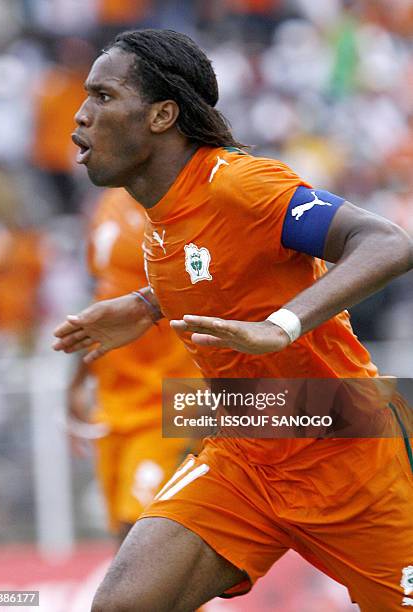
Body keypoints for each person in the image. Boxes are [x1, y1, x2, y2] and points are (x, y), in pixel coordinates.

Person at [52, 29, 413, 612]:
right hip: (245, 455)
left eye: (104, 96)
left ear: (163, 115)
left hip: (347, 454)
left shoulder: (240, 182)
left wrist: (285, 324)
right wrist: (146, 307)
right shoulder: (159, 214)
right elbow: (222, 266)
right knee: (122, 605)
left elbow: (386, 241)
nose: (82, 113)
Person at [67, 187, 199, 543]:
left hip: (171, 403)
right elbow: (102, 300)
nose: (83, 130)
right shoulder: (108, 203)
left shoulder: (194, 202)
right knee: (127, 542)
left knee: (140, 537)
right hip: (113, 404)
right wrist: (78, 381)